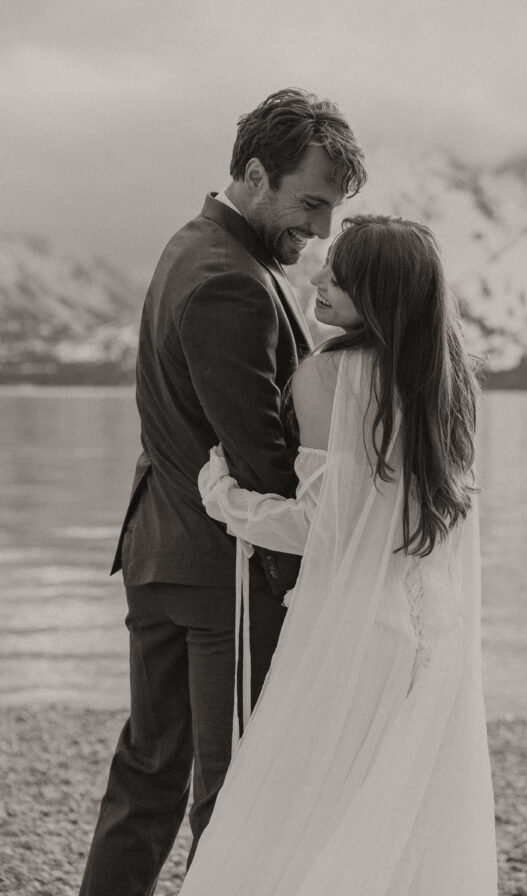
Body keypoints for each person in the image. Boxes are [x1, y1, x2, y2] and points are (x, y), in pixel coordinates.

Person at [79, 88, 367, 896]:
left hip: (161, 555)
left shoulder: (190, 245)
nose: (319, 231)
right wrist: (324, 554)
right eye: (310, 203)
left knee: (149, 769)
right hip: (225, 576)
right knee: (234, 794)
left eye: (332, 211)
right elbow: (261, 457)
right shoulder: (232, 282)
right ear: (251, 173)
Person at [181, 215, 499, 895]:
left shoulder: (326, 374)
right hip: (430, 634)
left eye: (342, 277)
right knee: (397, 820)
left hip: (351, 632)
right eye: (325, 265)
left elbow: (321, 528)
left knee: (304, 812)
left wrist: (222, 497)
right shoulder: (453, 385)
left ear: (381, 294)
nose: (319, 280)